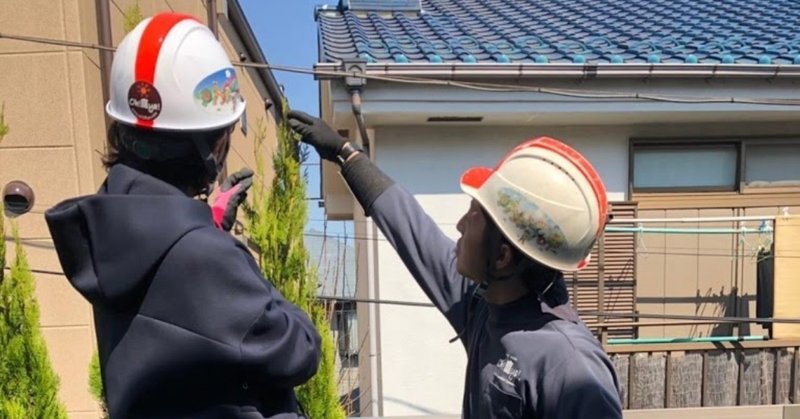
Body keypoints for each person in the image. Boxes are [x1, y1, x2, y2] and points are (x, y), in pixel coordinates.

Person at [45, 13, 320, 418]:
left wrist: (200, 224)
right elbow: (298, 349)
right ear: (212, 144)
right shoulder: (204, 255)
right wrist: (216, 242)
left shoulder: (109, 235)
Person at [288, 111, 623, 418]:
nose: (460, 225)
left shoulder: (570, 365)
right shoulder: (483, 304)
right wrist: (345, 153)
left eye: (472, 217)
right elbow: (412, 230)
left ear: (503, 256)